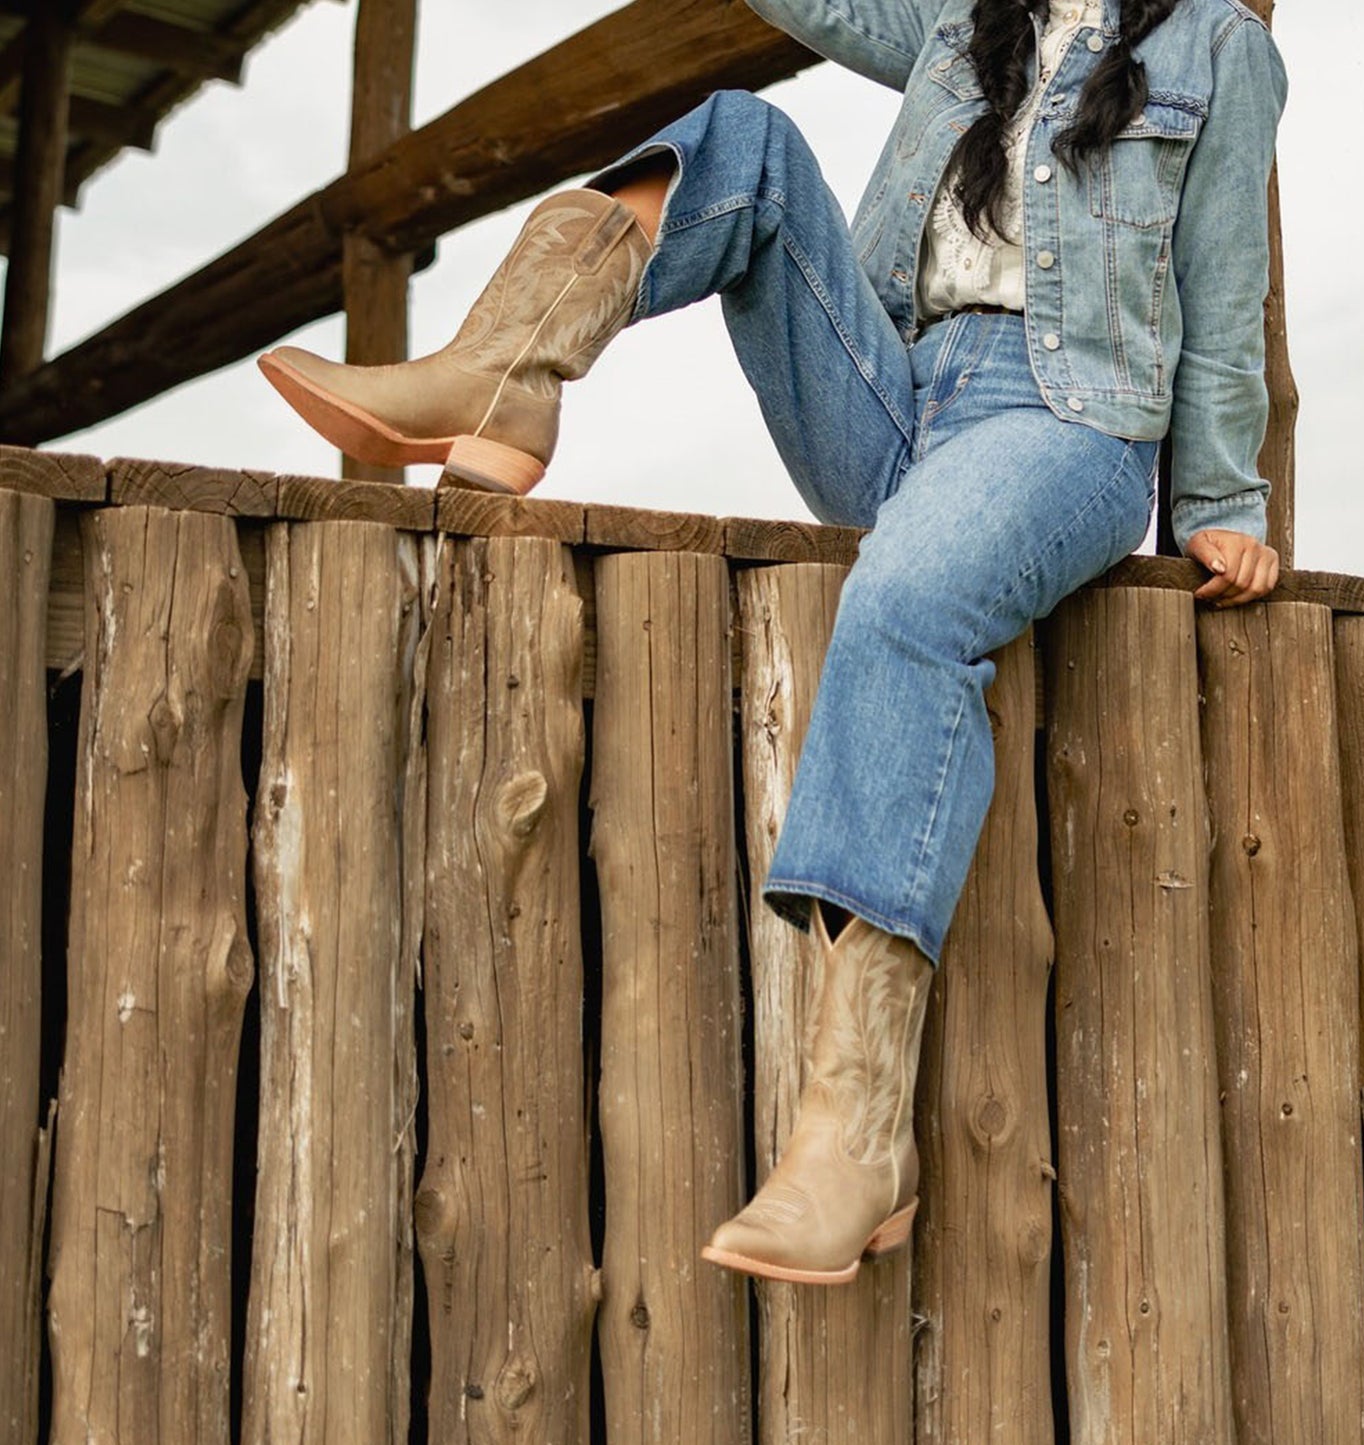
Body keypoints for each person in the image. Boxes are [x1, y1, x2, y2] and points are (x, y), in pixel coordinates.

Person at [259, 0, 1287, 1287]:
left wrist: (1217, 507)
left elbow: (1220, 281)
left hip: (1067, 425)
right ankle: (507, 366)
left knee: (904, 601)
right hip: (898, 390)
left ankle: (854, 1138)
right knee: (743, 135)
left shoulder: (1217, 49)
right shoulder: (970, 21)